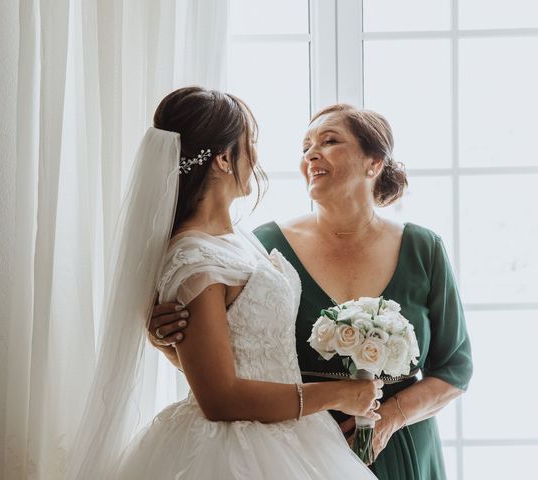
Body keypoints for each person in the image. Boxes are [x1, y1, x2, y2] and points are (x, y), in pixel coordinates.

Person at [67, 88, 382, 479]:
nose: (256, 157)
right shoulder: (193, 257)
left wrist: (172, 348)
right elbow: (219, 398)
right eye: (249, 144)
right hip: (232, 451)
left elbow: (231, 350)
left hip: (288, 435)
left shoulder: (238, 239)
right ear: (222, 158)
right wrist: (338, 394)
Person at [150, 103, 473, 479]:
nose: (311, 154)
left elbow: (455, 367)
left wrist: (386, 420)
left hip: (405, 444)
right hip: (294, 446)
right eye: (305, 147)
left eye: (329, 141)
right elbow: (233, 358)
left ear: (374, 163)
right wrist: (170, 340)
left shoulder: (424, 249)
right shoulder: (265, 246)